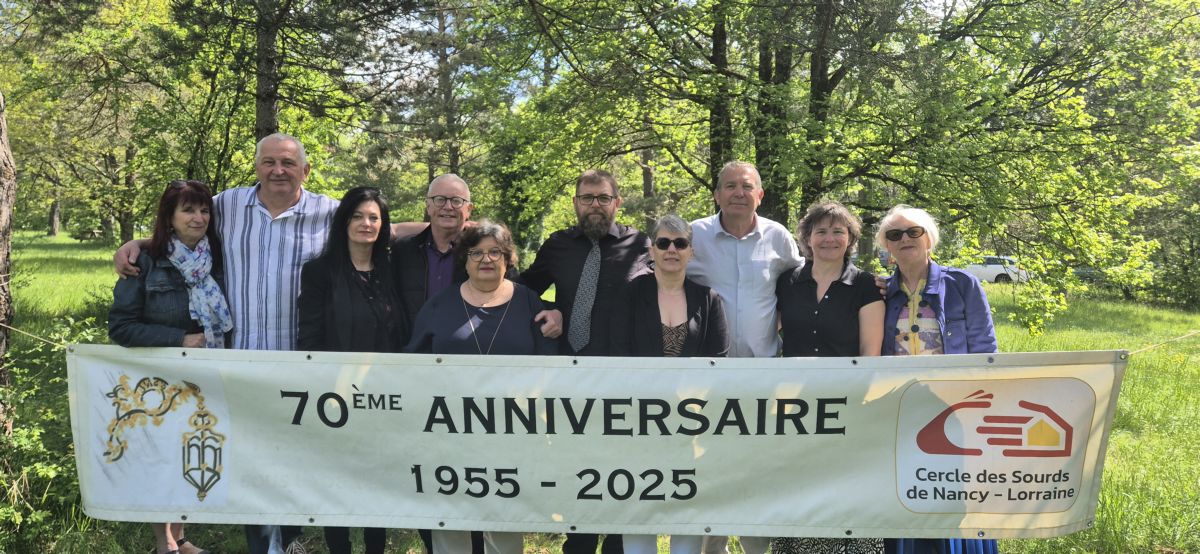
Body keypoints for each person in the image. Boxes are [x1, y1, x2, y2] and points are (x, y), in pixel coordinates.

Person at [115, 133, 339, 554]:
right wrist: (136, 244)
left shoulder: (329, 212)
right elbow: (182, 222)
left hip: (299, 362)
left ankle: (288, 538)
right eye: (268, 162)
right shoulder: (228, 205)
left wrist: (452, 223)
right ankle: (262, 546)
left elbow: (380, 225)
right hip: (236, 362)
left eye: (288, 163)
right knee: (247, 458)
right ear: (256, 167)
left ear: (305, 171)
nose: (278, 170)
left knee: (293, 457)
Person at [517, 169, 649, 554]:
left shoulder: (642, 245)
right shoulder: (557, 245)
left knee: (622, 473)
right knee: (579, 472)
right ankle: (577, 543)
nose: (595, 205)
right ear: (575, 203)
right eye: (587, 197)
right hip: (570, 380)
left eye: (603, 197)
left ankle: (619, 545)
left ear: (617, 203)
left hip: (625, 381)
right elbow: (523, 291)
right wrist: (550, 309)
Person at [405, 220, 554, 554]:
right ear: (465, 259)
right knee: (450, 514)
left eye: (495, 252)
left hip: (511, 429)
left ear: (508, 258)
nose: (486, 259)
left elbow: (549, 365)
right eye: (476, 253)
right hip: (449, 430)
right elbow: (412, 364)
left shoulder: (529, 302)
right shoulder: (440, 304)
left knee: (504, 517)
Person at [686, 161, 802, 554]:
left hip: (762, 378)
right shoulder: (694, 236)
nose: (739, 192)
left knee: (758, 469)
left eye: (747, 186)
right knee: (709, 468)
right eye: (730, 185)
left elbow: (803, 281)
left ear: (760, 195)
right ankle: (711, 548)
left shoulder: (778, 237)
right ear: (717, 194)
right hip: (705, 377)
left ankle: (757, 548)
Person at [108, 179, 229, 554]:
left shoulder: (217, 257)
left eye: (204, 210)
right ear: (169, 216)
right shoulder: (144, 261)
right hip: (159, 383)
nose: (198, 218)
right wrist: (181, 339)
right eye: (188, 210)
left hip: (206, 378)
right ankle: (165, 543)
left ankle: (182, 535)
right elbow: (121, 327)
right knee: (161, 458)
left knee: (193, 451)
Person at [876, 204, 998, 554]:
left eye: (913, 231)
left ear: (929, 238)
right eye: (894, 234)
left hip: (954, 406)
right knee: (908, 488)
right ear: (887, 245)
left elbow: (985, 348)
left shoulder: (962, 285)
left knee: (953, 489)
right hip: (900, 408)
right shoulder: (880, 291)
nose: (905, 239)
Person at [610, 214, 729, 554]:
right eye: (663, 243)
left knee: (686, 505)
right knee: (639, 506)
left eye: (680, 243)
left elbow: (718, 361)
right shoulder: (631, 294)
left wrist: (691, 405)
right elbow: (619, 354)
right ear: (652, 250)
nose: (671, 250)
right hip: (638, 418)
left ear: (691, 251)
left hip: (692, 421)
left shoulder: (708, 299)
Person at [770, 201, 884, 554]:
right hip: (795, 404)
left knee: (844, 486)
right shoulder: (788, 282)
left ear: (850, 238)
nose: (829, 238)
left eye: (838, 231)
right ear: (807, 238)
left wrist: (860, 404)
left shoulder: (865, 285)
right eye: (820, 231)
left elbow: (870, 352)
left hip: (847, 403)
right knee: (798, 485)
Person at [296, 187, 404, 554]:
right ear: (343, 222)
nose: (366, 223)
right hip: (335, 395)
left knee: (377, 480)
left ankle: (376, 547)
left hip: (384, 397)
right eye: (357, 216)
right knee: (336, 480)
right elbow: (309, 336)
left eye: (374, 217)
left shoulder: (392, 270)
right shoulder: (319, 272)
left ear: (383, 225)